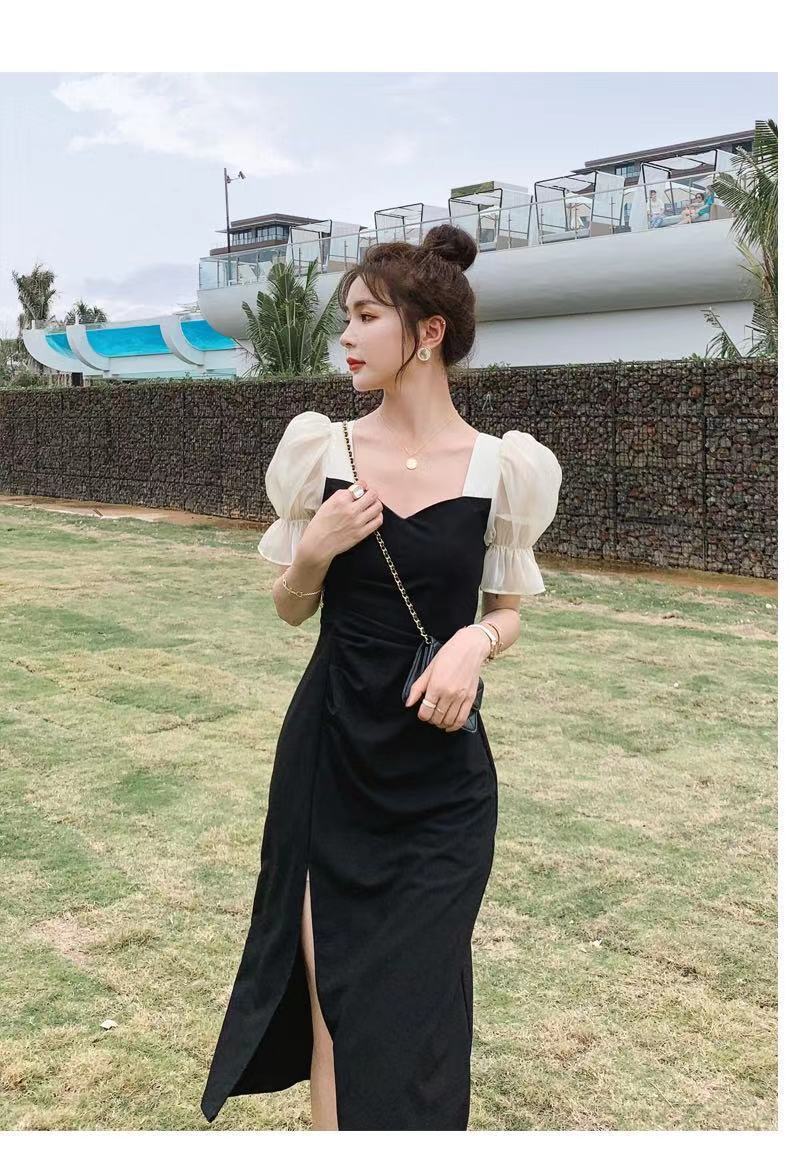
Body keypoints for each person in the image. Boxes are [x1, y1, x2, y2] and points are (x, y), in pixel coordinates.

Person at [200, 223, 563, 1131]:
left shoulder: (504, 468)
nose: (347, 336)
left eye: (367, 316)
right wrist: (313, 551)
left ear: (428, 332)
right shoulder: (321, 453)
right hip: (331, 760)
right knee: (337, 1005)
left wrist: (476, 642)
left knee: (419, 1010)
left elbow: (509, 609)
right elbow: (290, 610)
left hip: (441, 781)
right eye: (347, 318)